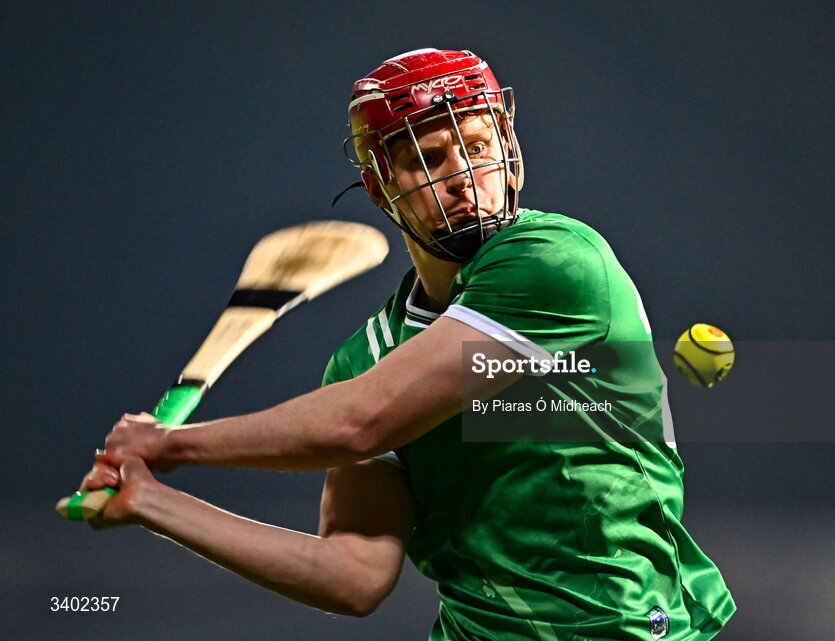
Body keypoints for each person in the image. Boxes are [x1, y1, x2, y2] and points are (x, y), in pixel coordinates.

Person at [80, 48, 736, 640]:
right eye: (430, 158)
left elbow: (359, 421)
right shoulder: (364, 360)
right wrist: (155, 501)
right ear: (379, 185)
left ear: (508, 149)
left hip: (630, 631)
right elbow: (352, 574)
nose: (462, 175)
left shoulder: (558, 264)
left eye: (478, 147)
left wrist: (169, 445)